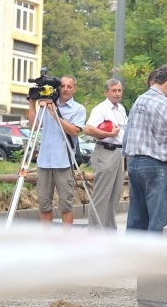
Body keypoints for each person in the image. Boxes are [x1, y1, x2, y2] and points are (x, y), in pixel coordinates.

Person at [123, 64, 167, 231]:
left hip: (135, 165)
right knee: (160, 223)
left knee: (137, 220)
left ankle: (133, 255)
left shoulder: (139, 100)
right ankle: (156, 257)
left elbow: (127, 136)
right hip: (159, 169)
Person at [27, 75, 86, 229]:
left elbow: (74, 131)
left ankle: (65, 240)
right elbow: (34, 125)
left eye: (69, 86)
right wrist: (32, 103)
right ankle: (46, 239)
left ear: (74, 89)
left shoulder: (78, 109)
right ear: (58, 87)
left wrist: (55, 115)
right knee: (44, 203)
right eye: (63, 86)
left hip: (64, 162)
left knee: (66, 203)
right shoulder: (45, 105)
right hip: (44, 161)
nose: (65, 89)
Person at [83, 79, 128, 232]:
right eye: (113, 90)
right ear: (106, 92)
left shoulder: (121, 109)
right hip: (106, 151)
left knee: (114, 197)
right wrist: (109, 133)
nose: (117, 93)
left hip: (120, 154)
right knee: (102, 195)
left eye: (119, 90)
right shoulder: (101, 109)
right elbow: (88, 129)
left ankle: (109, 233)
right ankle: (95, 233)